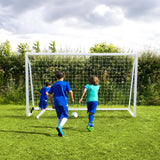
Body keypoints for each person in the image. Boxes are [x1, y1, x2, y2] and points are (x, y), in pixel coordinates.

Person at [48, 71, 74, 137]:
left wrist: (52, 103)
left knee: (59, 116)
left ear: (56, 77)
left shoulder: (53, 85)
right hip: (63, 101)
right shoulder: (65, 83)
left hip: (56, 101)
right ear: (64, 76)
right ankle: (60, 126)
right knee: (65, 116)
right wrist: (72, 99)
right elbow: (70, 92)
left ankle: (60, 132)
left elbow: (49, 94)